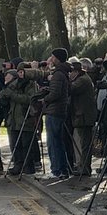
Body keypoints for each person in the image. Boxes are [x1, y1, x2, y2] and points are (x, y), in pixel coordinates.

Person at [38, 48, 72, 181]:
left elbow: (56, 93)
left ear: (57, 58)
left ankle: (56, 170)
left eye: (52, 57)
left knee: (53, 142)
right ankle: (62, 169)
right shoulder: (63, 73)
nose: (51, 59)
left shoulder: (58, 74)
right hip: (59, 110)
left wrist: (44, 99)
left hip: (54, 110)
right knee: (58, 141)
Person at [2, 67, 41, 175]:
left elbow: (29, 99)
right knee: (16, 144)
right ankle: (18, 165)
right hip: (14, 118)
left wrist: (13, 95)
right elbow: (5, 93)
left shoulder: (31, 84)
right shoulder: (14, 84)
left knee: (26, 144)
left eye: (22, 72)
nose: (20, 74)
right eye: (18, 72)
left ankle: (28, 166)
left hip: (25, 117)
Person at [69, 59, 98, 176]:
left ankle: (85, 168)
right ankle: (83, 166)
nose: (70, 75)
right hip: (83, 116)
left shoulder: (82, 80)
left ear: (75, 72)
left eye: (71, 72)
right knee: (83, 143)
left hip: (84, 117)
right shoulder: (84, 79)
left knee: (84, 144)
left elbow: (70, 89)